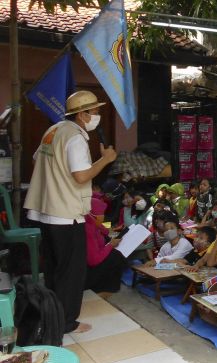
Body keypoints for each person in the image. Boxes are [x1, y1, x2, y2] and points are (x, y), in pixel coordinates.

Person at [24, 90, 117, 333]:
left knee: (54, 268)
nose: (97, 116)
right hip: (66, 214)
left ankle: (52, 316)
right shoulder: (75, 138)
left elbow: (38, 161)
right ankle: (66, 322)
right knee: (71, 271)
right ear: (83, 114)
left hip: (46, 211)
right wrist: (105, 159)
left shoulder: (53, 131)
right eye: (95, 112)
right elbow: (81, 176)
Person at [84, 198, 127, 298]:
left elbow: (105, 230)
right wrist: (111, 245)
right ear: (92, 213)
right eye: (101, 213)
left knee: (116, 254)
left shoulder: (92, 223)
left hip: (95, 258)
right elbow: (93, 260)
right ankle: (104, 288)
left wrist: (114, 231)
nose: (103, 215)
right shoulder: (88, 229)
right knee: (116, 256)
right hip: (89, 268)